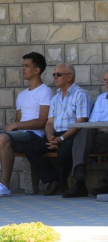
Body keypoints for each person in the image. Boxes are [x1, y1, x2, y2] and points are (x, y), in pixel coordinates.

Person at [63, 69, 108, 198]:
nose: (106, 83)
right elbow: (92, 123)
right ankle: (80, 177)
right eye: (104, 80)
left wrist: (102, 126)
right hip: (98, 136)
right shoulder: (101, 98)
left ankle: (80, 183)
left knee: (77, 142)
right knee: (84, 131)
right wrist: (107, 126)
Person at [23, 63, 92, 196]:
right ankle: (54, 180)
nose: (54, 77)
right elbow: (49, 121)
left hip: (73, 134)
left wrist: (61, 138)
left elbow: (81, 122)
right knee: (30, 148)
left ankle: (61, 181)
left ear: (69, 77)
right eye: (54, 74)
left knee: (64, 151)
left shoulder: (81, 95)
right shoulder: (55, 98)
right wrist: (50, 136)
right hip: (55, 134)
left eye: (58, 74)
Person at [0, 52, 53, 197]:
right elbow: (18, 121)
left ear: (37, 70)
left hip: (36, 135)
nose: (23, 69)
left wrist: (16, 125)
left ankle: (4, 186)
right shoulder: (22, 95)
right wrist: (15, 126)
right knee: (4, 138)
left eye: (26, 66)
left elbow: (43, 121)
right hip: (21, 135)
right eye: (22, 66)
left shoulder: (45, 92)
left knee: (3, 138)